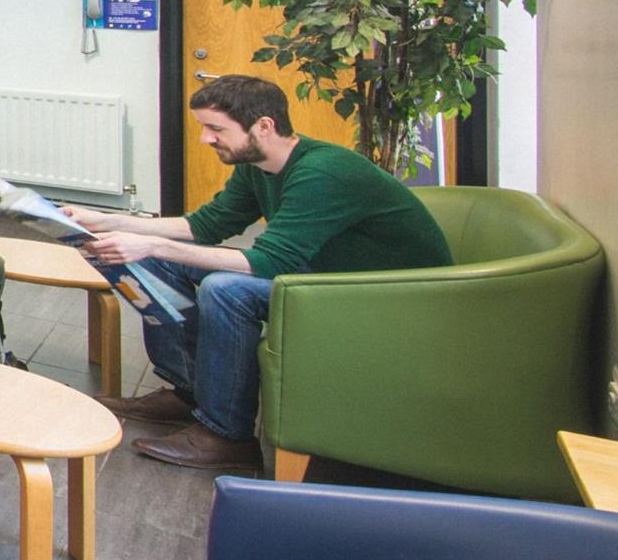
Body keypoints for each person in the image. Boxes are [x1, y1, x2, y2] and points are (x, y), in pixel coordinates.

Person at [63, 75, 452, 471]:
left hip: (390, 294)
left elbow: (270, 262)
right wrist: (105, 220)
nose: (205, 139)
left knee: (225, 290)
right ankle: (189, 392)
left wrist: (152, 243)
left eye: (215, 129)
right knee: (154, 263)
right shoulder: (257, 166)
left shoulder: (322, 173)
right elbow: (206, 226)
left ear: (263, 126)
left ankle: (227, 434)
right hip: (330, 273)